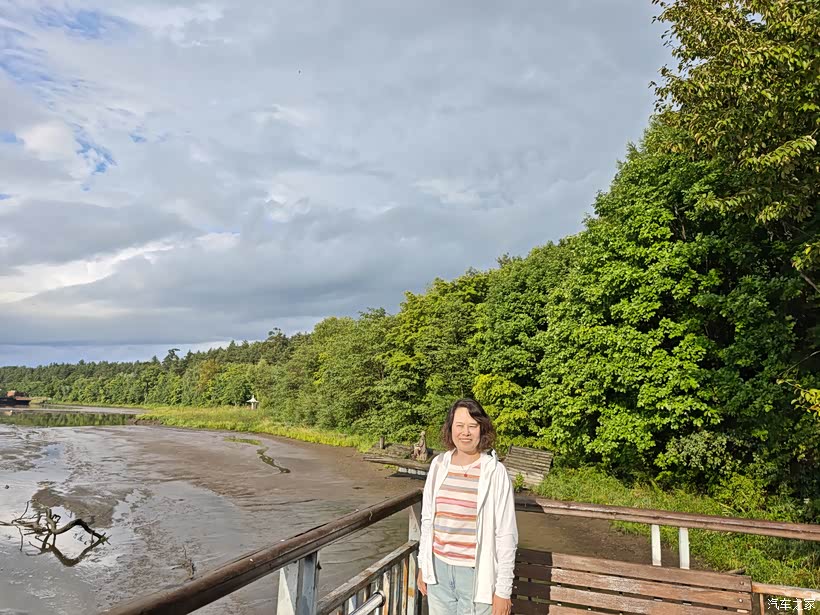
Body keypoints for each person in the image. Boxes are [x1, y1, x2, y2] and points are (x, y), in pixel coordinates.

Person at [416, 398, 518, 615]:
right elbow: (428, 520)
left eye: (472, 426)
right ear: (450, 428)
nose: (465, 432)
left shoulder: (494, 472)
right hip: (438, 572)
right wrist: (423, 565)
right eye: (459, 425)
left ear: (482, 429)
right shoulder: (438, 465)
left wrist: (503, 591)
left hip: (477, 575)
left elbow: (506, 534)